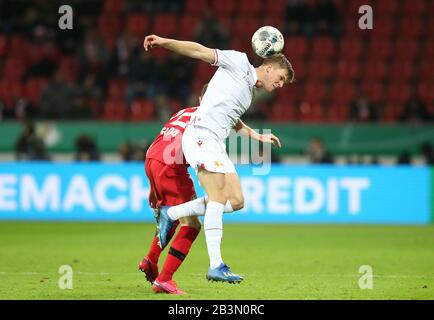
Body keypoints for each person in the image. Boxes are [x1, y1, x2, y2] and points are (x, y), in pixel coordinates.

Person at [143, 34, 294, 285]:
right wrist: (163, 42)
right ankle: (216, 265)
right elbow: (198, 50)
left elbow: (231, 117)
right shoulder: (238, 62)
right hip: (201, 135)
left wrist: (256, 135)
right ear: (268, 68)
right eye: (280, 79)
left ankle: (173, 213)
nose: (280, 85)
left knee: (236, 201)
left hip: (216, 142)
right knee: (217, 197)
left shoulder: (248, 92)